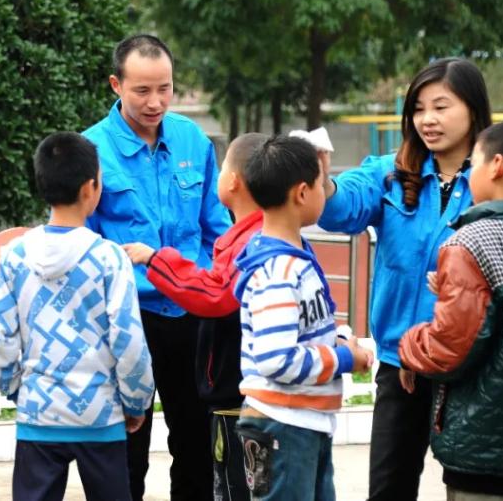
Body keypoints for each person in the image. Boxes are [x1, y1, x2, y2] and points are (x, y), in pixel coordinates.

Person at [317, 58, 492, 500]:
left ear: (473, 109)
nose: (427, 119)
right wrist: (324, 183)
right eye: (418, 108)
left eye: (440, 107)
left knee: (475, 490)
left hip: (474, 367)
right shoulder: (389, 171)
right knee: (389, 489)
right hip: (402, 363)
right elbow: (340, 209)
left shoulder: (497, 177)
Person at [84, 34, 231, 501]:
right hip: (127, 318)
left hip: (192, 312)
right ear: (116, 85)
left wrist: (210, 285)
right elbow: (82, 242)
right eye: (142, 91)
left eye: (164, 89)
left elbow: (216, 227)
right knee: (127, 447)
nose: (155, 102)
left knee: (197, 443)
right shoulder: (92, 150)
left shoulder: (192, 139)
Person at [0, 131, 154, 501]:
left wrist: (18, 389)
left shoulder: (15, 255)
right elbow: (128, 341)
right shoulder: (110, 257)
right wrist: (136, 401)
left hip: (39, 414)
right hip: (101, 414)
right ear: (90, 188)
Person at [399, 118, 503, 500]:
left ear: (497, 165)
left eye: (474, 162)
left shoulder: (468, 242)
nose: (469, 171)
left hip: (486, 452)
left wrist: (410, 346)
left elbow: (450, 348)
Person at [123, 132, 268, 501]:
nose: (154, 104)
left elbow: (216, 293)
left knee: (215, 463)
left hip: (234, 386)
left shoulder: (248, 244)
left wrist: (155, 259)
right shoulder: (263, 237)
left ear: (232, 181)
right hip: (135, 317)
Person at [233, 135, 373, 500]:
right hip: (282, 423)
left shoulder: (294, 258)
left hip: (301, 422)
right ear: (302, 193)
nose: (326, 192)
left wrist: (338, 341)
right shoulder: (279, 271)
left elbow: (301, 333)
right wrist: (344, 359)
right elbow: (276, 359)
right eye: (323, 184)